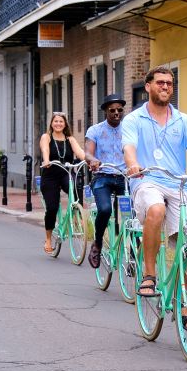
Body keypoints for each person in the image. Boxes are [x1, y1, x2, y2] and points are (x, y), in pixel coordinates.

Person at [122, 66, 187, 331]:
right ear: (148, 86)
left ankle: (182, 298)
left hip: (178, 184)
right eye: (160, 82)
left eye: (169, 83)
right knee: (156, 210)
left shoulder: (182, 120)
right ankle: (149, 275)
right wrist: (133, 165)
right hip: (147, 180)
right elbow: (129, 147)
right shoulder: (134, 119)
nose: (166, 87)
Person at [84, 94, 127, 269]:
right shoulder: (95, 130)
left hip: (125, 177)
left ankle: (136, 251)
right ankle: (98, 243)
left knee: (135, 215)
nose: (116, 113)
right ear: (105, 112)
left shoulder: (129, 129)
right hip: (103, 176)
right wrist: (93, 160)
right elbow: (88, 153)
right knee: (105, 209)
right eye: (112, 110)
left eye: (120, 110)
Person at [40, 112, 86, 254]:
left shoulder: (70, 139)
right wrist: (46, 160)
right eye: (56, 121)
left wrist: (90, 160)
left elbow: (80, 152)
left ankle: (76, 216)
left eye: (61, 121)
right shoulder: (46, 137)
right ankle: (48, 239)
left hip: (66, 173)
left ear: (65, 124)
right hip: (50, 176)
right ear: (51, 123)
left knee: (76, 188)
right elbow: (45, 149)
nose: (58, 124)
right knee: (52, 208)